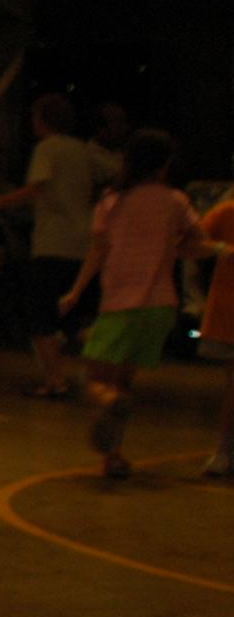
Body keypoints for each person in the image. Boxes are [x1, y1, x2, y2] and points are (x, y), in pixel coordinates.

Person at [55, 130, 205, 479]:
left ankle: (110, 406)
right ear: (165, 164)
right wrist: (171, 248)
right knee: (122, 382)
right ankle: (113, 457)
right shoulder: (176, 200)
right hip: (161, 307)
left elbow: (98, 250)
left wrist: (76, 291)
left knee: (96, 382)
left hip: (121, 304)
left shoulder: (112, 201)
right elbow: (198, 243)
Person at [0, 94, 113, 399]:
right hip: (83, 244)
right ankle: (102, 373)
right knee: (75, 316)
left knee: (39, 317)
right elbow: (113, 170)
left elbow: (35, 188)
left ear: (43, 119)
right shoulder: (82, 149)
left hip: (52, 243)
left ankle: (55, 380)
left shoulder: (47, 148)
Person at [196, 188, 234, 478]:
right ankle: (224, 450)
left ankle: (224, 451)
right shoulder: (227, 212)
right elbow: (191, 242)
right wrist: (221, 249)